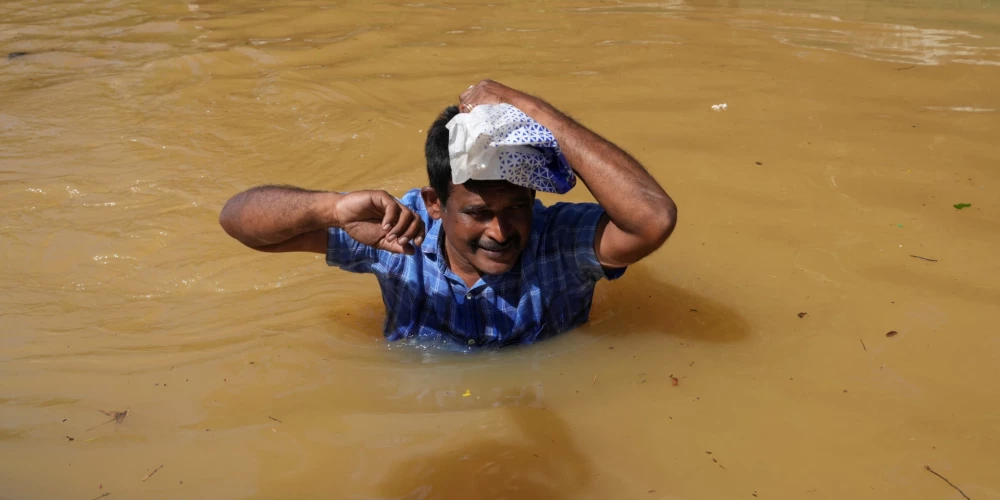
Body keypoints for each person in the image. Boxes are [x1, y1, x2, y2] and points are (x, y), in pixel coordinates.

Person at [219, 80, 676, 349]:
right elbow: (238, 222)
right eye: (477, 212)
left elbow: (653, 219)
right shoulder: (397, 231)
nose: (500, 231)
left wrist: (531, 110)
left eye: (517, 207)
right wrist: (331, 208)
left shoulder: (560, 241)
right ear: (435, 204)